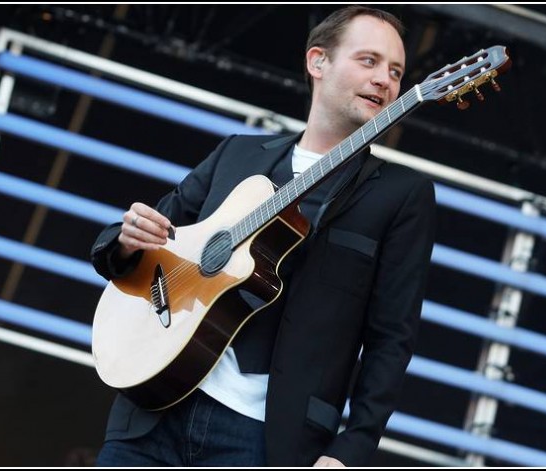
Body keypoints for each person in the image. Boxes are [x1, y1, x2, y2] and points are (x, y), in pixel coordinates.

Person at [91, 6, 435, 467]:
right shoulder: (239, 152)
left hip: (263, 442)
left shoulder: (401, 195)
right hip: (153, 411)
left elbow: (392, 339)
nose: (385, 81)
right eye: (369, 61)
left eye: (395, 71)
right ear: (318, 62)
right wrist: (127, 239)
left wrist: (351, 447)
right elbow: (144, 240)